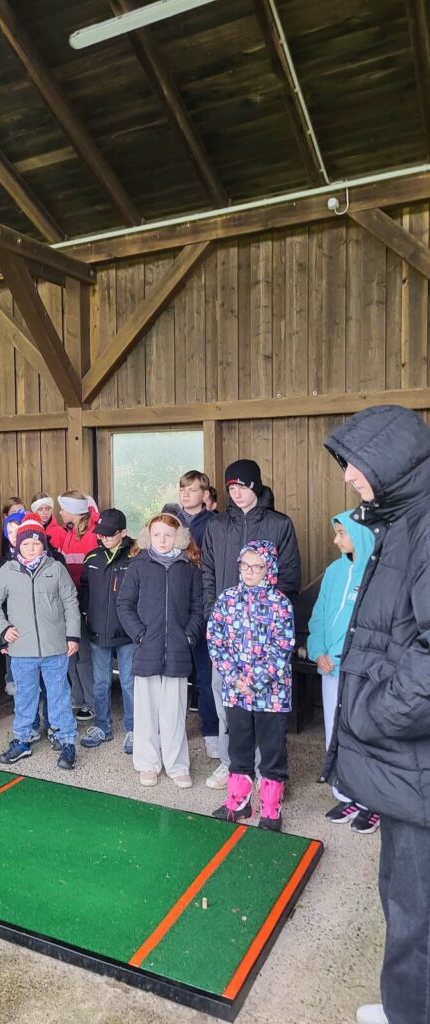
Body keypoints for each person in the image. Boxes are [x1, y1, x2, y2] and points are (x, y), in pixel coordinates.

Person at [321, 405, 430, 1024]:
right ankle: (402, 1006)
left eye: (355, 464)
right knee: (401, 893)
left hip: (415, 759)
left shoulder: (426, 525)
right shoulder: (405, 521)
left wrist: (374, 715)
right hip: (405, 763)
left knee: (419, 913)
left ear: (393, 460)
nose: (348, 477)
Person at [201, 459, 301, 790]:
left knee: (264, 705)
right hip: (228, 633)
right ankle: (231, 764)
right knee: (226, 698)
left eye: (242, 486)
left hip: (264, 636)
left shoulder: (279, 524)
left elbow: (289, 576)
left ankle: (264, 770)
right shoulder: (216, 525)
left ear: (255, 486)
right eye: (231, 487)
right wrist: (212, 614)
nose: (236, 493)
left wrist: (272, 618)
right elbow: (208, 573)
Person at [207, 541, 295, 831]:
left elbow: (282, 647)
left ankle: (271, 808)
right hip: (236, 691)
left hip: (271, 693)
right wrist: (234, 678)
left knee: (272, 749)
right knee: (239, 746)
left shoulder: (280, 604)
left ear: (269, 569)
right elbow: (215, 640)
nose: (249, 571)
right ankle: (238, 802)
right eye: (245, 565)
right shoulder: (227, 599)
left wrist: (255, 682)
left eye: (257, 567)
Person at [0, 518, 80, 770]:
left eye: (35, 544)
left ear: (43, 545)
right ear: (18, 545)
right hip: (22, 650)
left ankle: (66, 741)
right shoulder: (9, 570)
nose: (30, 548)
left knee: (59, 695)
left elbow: (70, 601)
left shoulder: (56, 569)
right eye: (25, 544)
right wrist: (3, 629)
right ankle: (23, 740)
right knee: (25, 696)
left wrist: (72, 635)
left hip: (54, 648)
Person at [116, 512, 203, 789]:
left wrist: (188, 635)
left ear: (179, 537)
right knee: (146, 711)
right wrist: (139, 634)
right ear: (148, 536)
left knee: (174, 712)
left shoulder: (188, 568)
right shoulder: (138, 565)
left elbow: (198, 607)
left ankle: (177, 765)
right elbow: (124, 604)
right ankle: (148, 764)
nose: (162, 540)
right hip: (147, 648)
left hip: (177, 649)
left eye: (168, 535)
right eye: (157, 535)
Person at [307, 512, 379, 834]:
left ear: (360, 534)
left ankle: (372, 802)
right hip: (330, 668)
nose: (336, 540)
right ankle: (346, 793)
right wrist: (318, 651)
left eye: (342, 533)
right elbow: (320, 615)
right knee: (335, 731)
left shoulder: (377, 573)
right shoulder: (334, 571)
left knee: (364, 733)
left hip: (361, 672)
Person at [163, 470, 219, 759]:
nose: (185, 495)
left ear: (205, 494)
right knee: (172, 672)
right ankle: (171, 729)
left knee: (206, 673)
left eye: (192, 489)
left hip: (203, 603)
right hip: (174, 604)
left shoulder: (215, 523)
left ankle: (211, 731)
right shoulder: (169, 522)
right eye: (182, 489)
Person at [78, 508, 135, 754]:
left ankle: (134, 729)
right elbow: (84, 590)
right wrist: (87, 615)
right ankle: (102, 726)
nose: (104, 538)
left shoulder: (136, 557)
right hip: (98, 632)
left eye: (110, 534)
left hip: (127, 634)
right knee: (100, 682)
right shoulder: (92, 557)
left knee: (129, 682)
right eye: (101, 533)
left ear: (124, 532)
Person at [44, 490, 99, 721]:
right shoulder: (70, 533)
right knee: (71, 654)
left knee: (84, 654)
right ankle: (77, 698)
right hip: (68, 601)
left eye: (63, 509)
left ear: (73, 511)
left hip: (83, 602)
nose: (59, 513)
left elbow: (90, 574)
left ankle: (91, 701)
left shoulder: (91, 535)